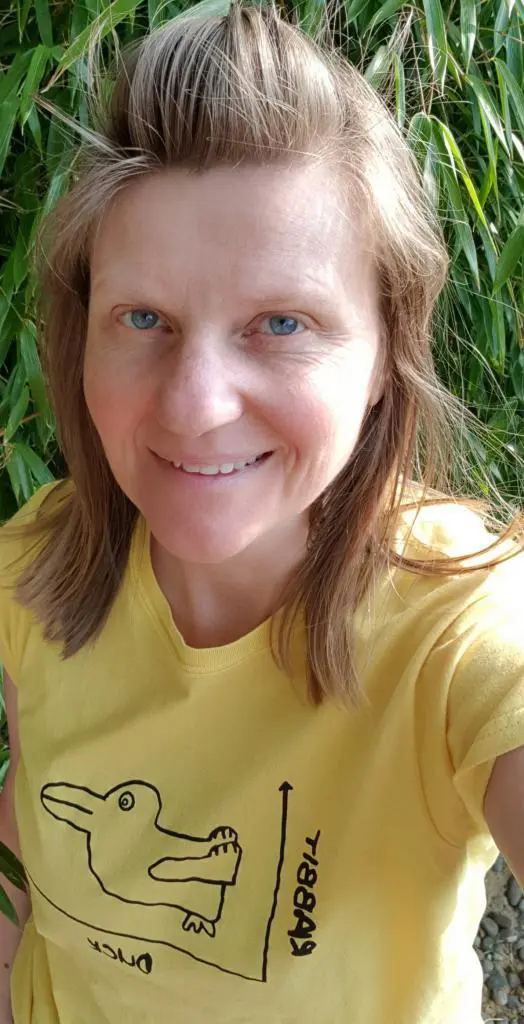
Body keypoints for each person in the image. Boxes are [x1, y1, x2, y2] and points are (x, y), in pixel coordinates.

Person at [0, 2, 523, 1021]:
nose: (194, 404)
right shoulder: (36, 569)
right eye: (141, 318)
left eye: (280, 323)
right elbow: (31, 819)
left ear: (384, 358)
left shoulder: (454, 629)